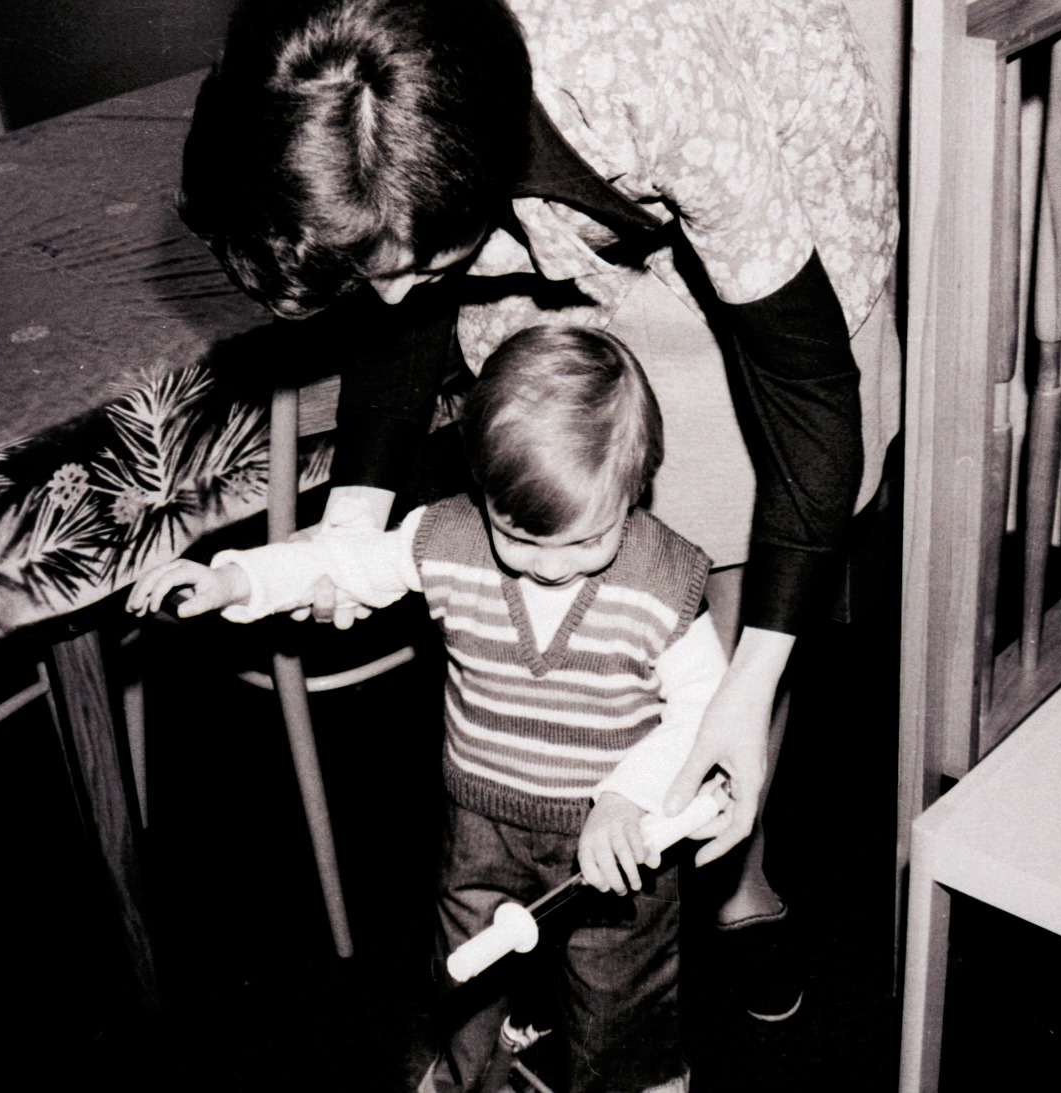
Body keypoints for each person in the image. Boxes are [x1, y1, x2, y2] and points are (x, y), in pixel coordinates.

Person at [179, 0, 897, 1020]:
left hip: (751, 178)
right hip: (525, 194)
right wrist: (352, 519)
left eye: (426, 267)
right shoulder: (367, 96)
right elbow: (403, 296)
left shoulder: (646, 77)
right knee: (565, 523)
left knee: (729, 598)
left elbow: (809, 390)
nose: (397, 299)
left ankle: (738, 876)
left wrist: (747, 687)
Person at [128, 326, 729, 1092]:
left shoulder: (662, 578)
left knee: (620, 985)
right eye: (518, 537)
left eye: (586, 541)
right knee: (466, 967)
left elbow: (706, 708)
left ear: (636, 485)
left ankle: (633, 1079)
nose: (548, 566)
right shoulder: (445, 536)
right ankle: (470, 1071)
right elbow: (339, 557)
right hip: (481, 815)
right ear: (481, 490)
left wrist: (630, 795)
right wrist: (238, 579)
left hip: (618, 832)